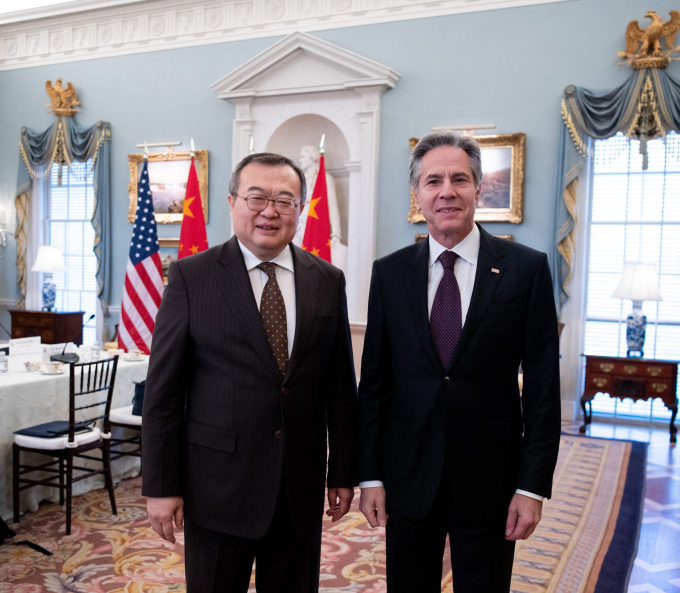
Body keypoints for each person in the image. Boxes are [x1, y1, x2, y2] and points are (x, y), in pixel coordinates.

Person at [142, 152, 358, 593]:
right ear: (232, 202)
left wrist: (343, 472)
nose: (270, 211)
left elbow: (339, 387)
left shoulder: (327, 279)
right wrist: (160, 487)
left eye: (285, 200)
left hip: (298, 487)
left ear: (300, 209)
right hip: (217, 489)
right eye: (256, 197)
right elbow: (162, 394)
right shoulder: (190, 276)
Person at [357, 132, 561, 593]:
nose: (446, 191)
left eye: (459, 179)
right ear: (417, 196)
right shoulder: (389, 273)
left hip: (491, 480)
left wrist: (532, 488)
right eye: (433, 181)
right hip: (408, 477)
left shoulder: (525, 269)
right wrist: (369, 475)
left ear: (478, 189)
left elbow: (544, 389)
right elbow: (374, 384)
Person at [293, 144, 348, 273]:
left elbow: (332, 206)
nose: (299, 159)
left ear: (312, 158)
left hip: (314, 224)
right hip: (297, 223)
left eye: (303, 156)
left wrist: (336, 234)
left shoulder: (325, 179)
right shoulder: (298, 180)